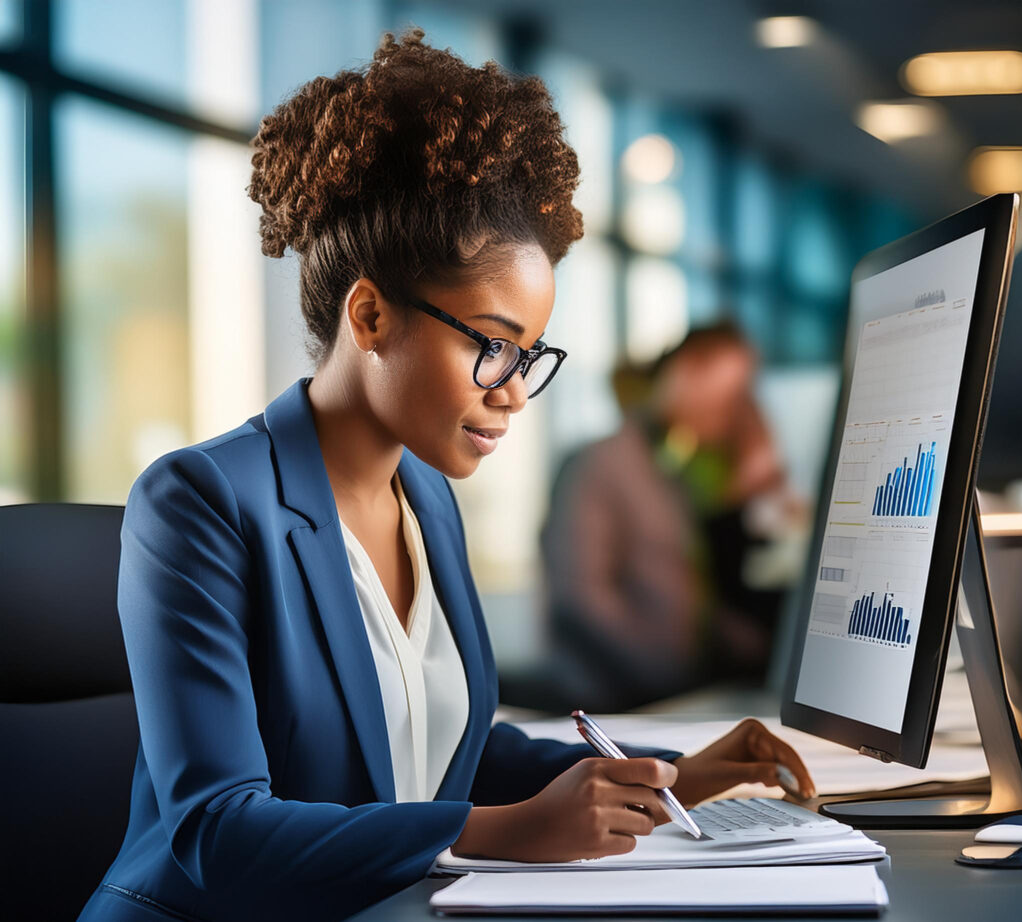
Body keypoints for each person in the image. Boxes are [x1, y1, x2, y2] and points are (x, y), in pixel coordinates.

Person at [77, 30, 814, 922]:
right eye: (493, 346)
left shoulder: (425, 497)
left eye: (529, 355)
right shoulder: (197, 504)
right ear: (372, 313)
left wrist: (668, 776)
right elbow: (218, 832)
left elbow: (444, 751)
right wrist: (504, 831)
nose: (514, 395)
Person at [538, 322, 802, 712]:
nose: (734, 412)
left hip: (676, 695)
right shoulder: (597, 464)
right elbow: (581, 599)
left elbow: (687, 592)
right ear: (686, 371)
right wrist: (676, 673)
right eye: (729, 396)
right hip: (614, 705)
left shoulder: (672, 468)